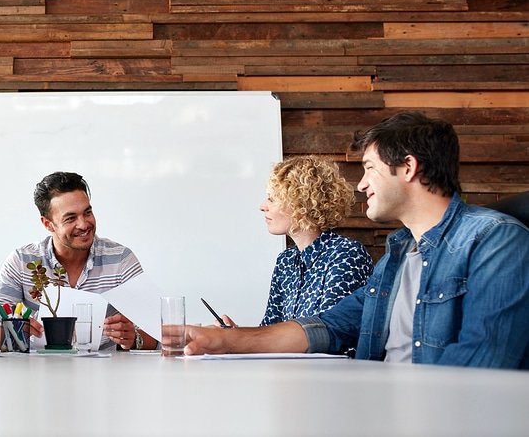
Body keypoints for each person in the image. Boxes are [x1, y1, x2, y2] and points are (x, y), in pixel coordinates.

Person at [185, 112, 529, 369]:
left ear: (407, 167)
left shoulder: (495, 240)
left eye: (369, 168)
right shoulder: (397, 254)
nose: (362, 185)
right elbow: (331, 327)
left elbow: (485, 363)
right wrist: (226, 340)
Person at [0, 171, 157, 351]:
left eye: (87, 212)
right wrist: (14, 333)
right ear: (48, 224)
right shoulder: (22, 261)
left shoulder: (120, 259)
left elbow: (160, 334)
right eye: (71, 218)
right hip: (37, 374)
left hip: (105, 374)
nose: (84, 224)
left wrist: (134, 338)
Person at [218, 156, 373, 328]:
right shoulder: (286, 261)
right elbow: (270, 330)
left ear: (300, 203)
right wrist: (236, 335)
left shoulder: (345, 254)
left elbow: (331, 333)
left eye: (272, 199)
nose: (262, 206)